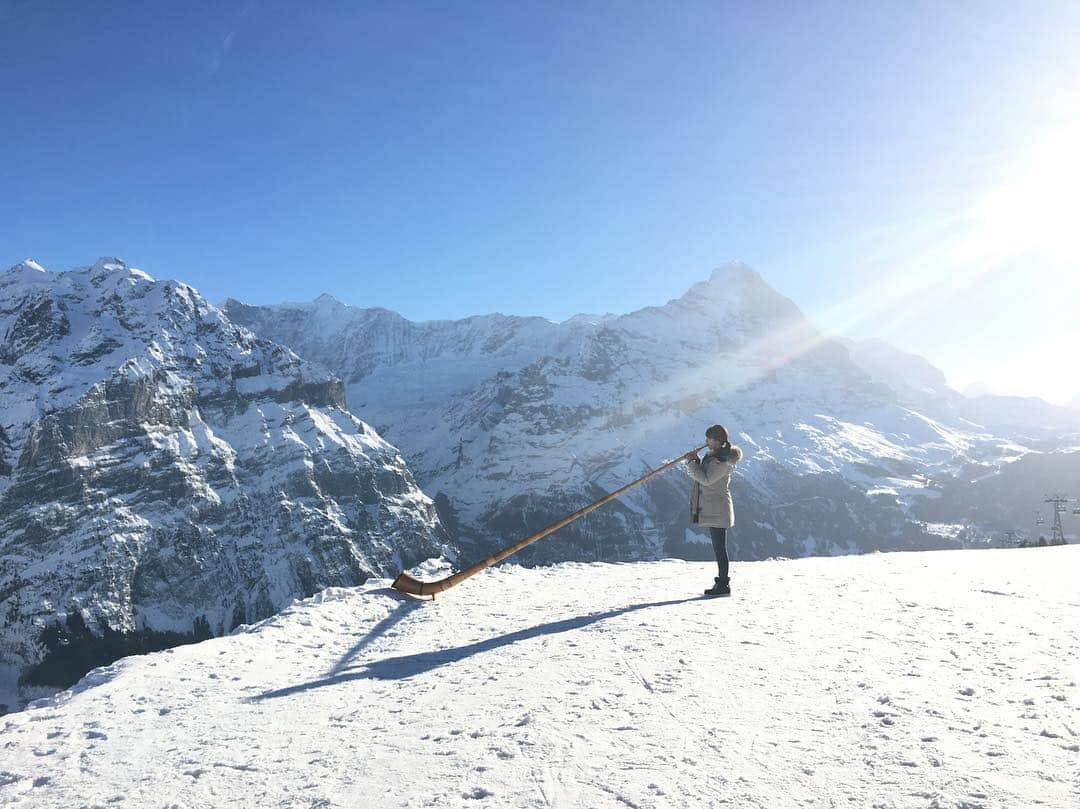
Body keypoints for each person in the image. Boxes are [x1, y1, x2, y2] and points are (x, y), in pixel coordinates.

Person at [684, 424, 743, 597]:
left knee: (720, 548)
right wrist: (695, 460)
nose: (706, 441)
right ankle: (722, 584)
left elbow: (706, 479)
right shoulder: (714, 456)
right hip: (714, 507)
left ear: (717, 441)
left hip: (718, 509)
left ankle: (724, 585)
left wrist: (691, 462)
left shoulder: (722, 461)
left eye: (709, 439)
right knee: (718, 547)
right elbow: (703, 474)